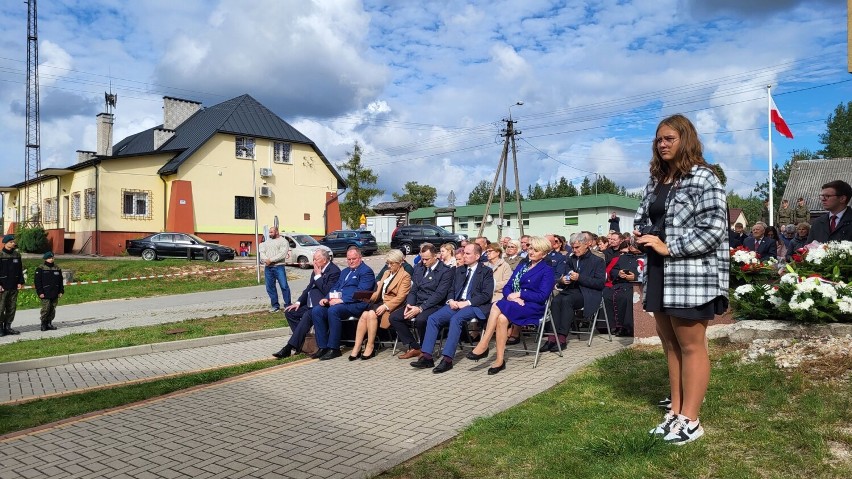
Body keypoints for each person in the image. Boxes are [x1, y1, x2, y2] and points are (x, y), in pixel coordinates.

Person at [634, 113, 729, 445]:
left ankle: (692, 418)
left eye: (669, 138)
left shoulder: (705, 178)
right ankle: (675, 411)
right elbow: (643, 217)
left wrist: (668, 245)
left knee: (691, 346)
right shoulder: (656, 182)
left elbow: (714, 230)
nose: (662, 144)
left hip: (691, 273)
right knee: (670, 344)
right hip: (659, 272)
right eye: (658, 139)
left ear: (685, 139)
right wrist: (641, 236)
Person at [466, 236, 555, 375]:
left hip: (533, 307)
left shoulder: (547, 270)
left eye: (536, 250)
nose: (531, 252)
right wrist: (511, 297)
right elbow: (508, 286)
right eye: (530, 248)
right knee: (501, 319)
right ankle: (500, 360)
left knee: (496, 305)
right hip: (515, 303)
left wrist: (520, 294)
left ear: (543, 254)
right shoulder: (522, 265)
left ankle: (484, 344)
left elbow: (543, 295)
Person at [410, 243, 494, 374]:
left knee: (456, 319)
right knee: (433, 318)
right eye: (464, 253)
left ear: (477, 256)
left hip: (473, 305)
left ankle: (447, 359)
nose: (464, 256)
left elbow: (486, 295)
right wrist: (451, 301)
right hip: (455, 304)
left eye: (467, 253)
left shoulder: (486, 271)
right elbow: (451, 289)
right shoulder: (458, 270)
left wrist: (466, 303)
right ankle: (427, 357)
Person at [311, 246, 376, 360]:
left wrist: (341, 300)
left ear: (360, 258)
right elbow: (335, 286)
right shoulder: (345, 271)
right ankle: (323, 347)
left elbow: (361, 293)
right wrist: (327, 298)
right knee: (317, 310)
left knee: (333, 310)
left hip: (356, 304)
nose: (351, 261)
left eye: (353, 259)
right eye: (349, 259)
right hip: (340, 303)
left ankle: (334, 348)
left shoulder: (366, 271)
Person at [390, 243, 454, 359]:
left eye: (427, 259)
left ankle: (426, 350)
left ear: (436, 256)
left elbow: (439, 294)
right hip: (417, 302)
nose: (424, 262)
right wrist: (410, 304)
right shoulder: (419, 269)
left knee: (421, 320)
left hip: (433, 305)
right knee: (395, 317)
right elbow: (413, 290)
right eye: (422, 259)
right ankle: (414, 346)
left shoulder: (445, 271)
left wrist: (420, 308)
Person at [273, 249, 340, 359]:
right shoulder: (316, 269)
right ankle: (301, 344)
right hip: (309, 304)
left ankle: (289, 347)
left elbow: (327, 291)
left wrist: (318, 276)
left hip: (322, 306)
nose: (314, 262)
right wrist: (298, 302)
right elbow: (309, 288)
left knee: (307, 315)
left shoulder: (334, 271)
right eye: (313, 259)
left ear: (324, 260)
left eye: (316, 259)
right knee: (290, 312)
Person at [544, 232, 606, 351]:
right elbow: (566, 275)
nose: (574, 250)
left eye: (577, 247)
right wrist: (563, 280)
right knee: (556, 300)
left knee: (567, 300)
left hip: (588, 293)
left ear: (586, 245)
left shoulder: (597, 261)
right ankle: (552, 337)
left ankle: (561, 338)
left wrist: (580, 278)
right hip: (571, 290)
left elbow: (599, 283)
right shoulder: (570, 259)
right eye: (572, 247)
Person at [349, 249, 411, 360]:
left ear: (399, 263)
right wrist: (368, 298)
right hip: (380, 302)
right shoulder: (387, 273)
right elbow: (378, 292)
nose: (389, 266)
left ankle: (370, 345)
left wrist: (386, 306)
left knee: (371, 314)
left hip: (393, 305)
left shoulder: (405, 276)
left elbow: (401, 297)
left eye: (392, 263)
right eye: (388, 263)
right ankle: (357, 346)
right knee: (364, 315)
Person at [602, 242, 639, 337]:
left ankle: (626, 327)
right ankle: (611, 326)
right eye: (631, 245)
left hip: (635, 286)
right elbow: (613, 271)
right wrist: (619, 273)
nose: (632, 247)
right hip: (620, 284)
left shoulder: (645, 257)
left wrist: (635, 277)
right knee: (607, 296)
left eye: (635, 245)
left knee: (625, 297)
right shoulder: (623, 258)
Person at [258, 227, 291, 313]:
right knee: (270, 287)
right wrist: (266, 260)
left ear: (276, 232)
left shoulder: (284, 241)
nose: (270, 234)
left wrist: (271, 260)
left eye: (271, 232)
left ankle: (288, 305)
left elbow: (282, 254)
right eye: (269, 232)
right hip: (268, 268)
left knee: (284, 286)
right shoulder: (267, 242)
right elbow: (262, 252)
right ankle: (275, 305)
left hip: (279, 267)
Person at [0, 234, 25, 336]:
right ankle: (0, 328)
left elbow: (19, 270)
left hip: (13, 286)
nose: (13, 243)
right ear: (5, 243)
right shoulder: (1, 255)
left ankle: (8, 327)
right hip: (2, 287)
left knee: (12, 308)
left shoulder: (16, 255)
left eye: (13, 242)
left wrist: (20, 281)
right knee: (1, 308)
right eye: (11, 242)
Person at [34, 251, 64, 332]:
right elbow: (37, 282)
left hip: (55, 292)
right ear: (45, 259)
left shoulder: (57, 268)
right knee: (46, 309)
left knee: (52, 308)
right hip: (45, 293)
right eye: (49, 258)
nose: (51, 259)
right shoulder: (41, 268)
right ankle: (43, 323)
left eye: (52, 258)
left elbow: (60, 280)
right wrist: (40, 292)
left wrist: (61, 291)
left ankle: (49, 323)